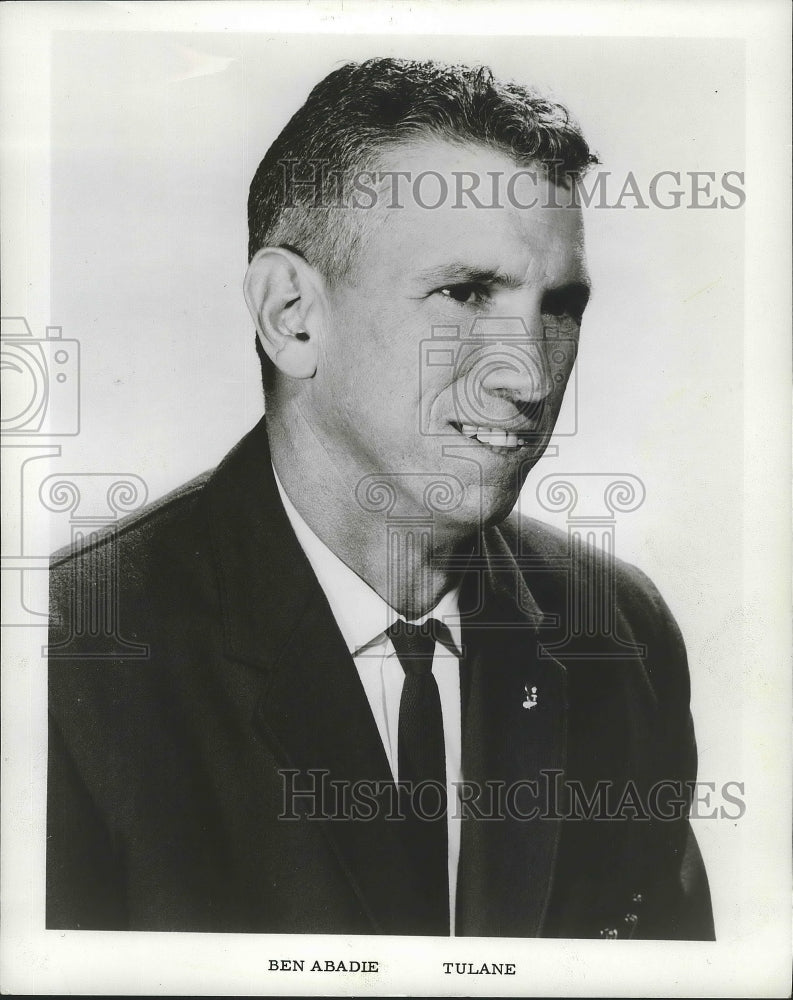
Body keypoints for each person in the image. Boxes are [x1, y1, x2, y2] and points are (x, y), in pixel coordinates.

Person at [47, 57, 714, 938]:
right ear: (291, 315)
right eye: (465, 293)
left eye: (558, 306)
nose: (529, 377)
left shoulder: (619, 632)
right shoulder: (71, 653)